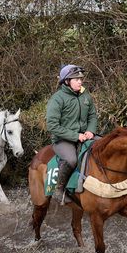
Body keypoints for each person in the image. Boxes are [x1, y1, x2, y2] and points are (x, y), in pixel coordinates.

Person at [46, 64, 98, 199]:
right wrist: (76, 136)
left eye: (81, 79)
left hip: (85, 136)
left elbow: (92, 116)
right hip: (63, 140)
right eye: (76, 79)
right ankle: (59, 189)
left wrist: (90, 131)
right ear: (67, 81)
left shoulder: (86, 96)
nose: (80, 81)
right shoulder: (57, 99)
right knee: (71, 159)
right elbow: (52, 126)